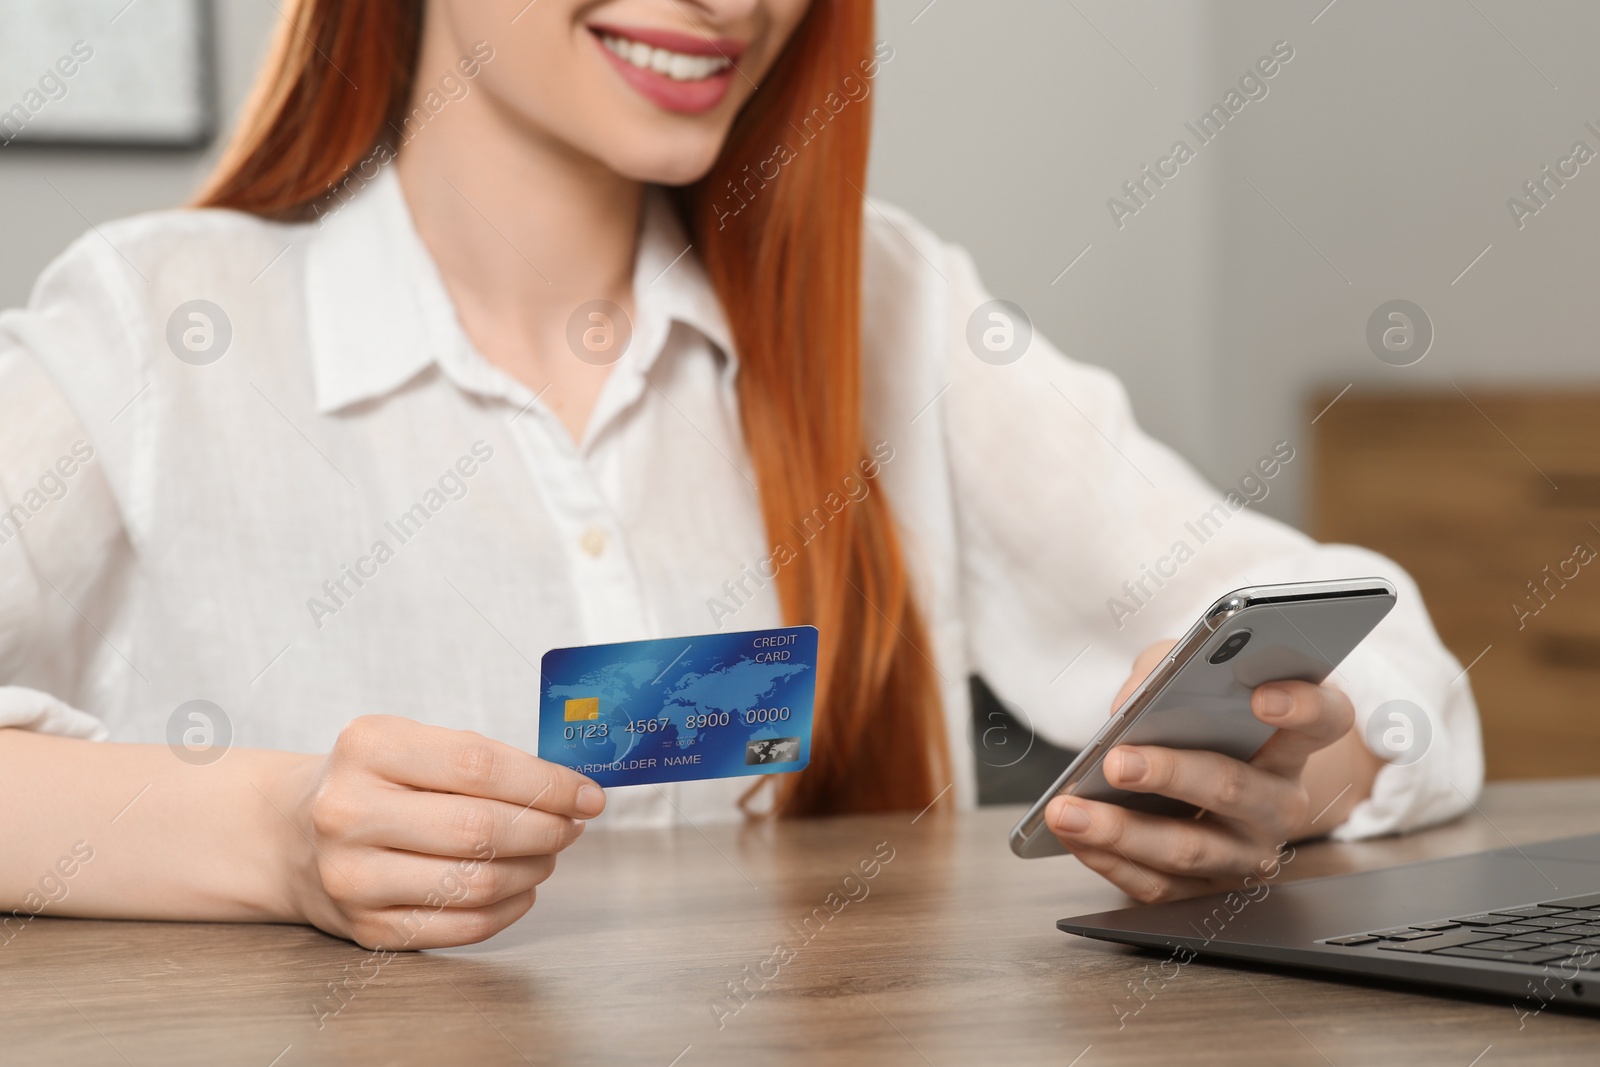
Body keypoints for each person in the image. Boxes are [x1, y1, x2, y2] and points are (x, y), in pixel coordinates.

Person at [0, 0, 1481, 950]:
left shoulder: (891, 304)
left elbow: (1356, 629)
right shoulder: (156, 325)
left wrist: (1308, 772)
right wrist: (277, 838)